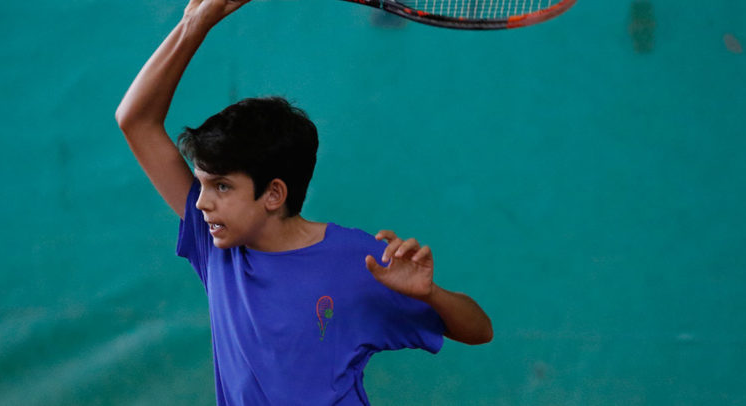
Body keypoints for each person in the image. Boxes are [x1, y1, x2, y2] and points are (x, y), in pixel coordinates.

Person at [115, 0, 492, 404]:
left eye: (222, 186)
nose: (201, 203)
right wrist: (194, 25)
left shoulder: (361, 261)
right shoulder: (216, 245)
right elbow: (135, 120)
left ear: (273, 194)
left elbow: (479, 331)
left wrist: (430, 294)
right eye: (203, 184)